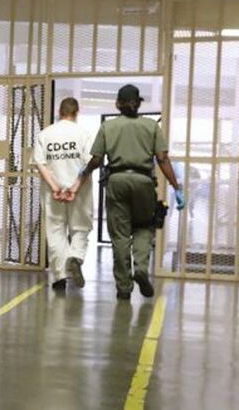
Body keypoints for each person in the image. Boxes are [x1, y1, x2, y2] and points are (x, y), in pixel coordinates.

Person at [68, 85, 185, 300]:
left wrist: (84, 172)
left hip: (117, 181)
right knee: (144, 227)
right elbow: (162, 159)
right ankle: (140, 268)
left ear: (117, 104)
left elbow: (97, 159)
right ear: (138, 103)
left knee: (120, 235)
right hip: (143, 182)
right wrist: (176, 187)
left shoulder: (108, 127)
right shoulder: (151, 126)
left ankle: (124, 288)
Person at [32, 97, 93, 292]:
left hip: (52, 193)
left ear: (59, 112)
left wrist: (55, 187)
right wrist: (75, 187)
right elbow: (89, 164)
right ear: (76, 112)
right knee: (80, 228)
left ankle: (60, 277)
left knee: (55, 232)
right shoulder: (84, 134)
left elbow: (40, 164)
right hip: (80, 191)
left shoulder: (45, 134)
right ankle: (75, 257)